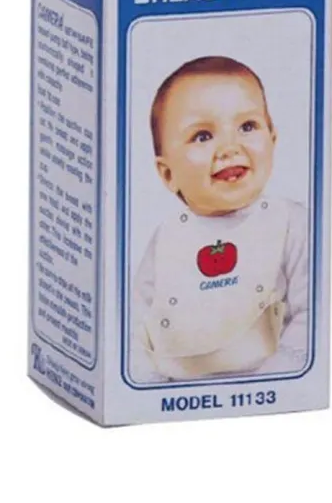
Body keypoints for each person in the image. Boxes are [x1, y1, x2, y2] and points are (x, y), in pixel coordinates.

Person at [129, 55, 309, 383]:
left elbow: (310, 316)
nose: (229, 147)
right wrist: (149, 384)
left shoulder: (291, 224)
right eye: (202, 136)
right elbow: (134, 324)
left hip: (267, 382)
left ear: (273, 140)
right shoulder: (167, 239)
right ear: (168, 175)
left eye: (247, 127)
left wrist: (270, 382)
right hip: (172, 388)